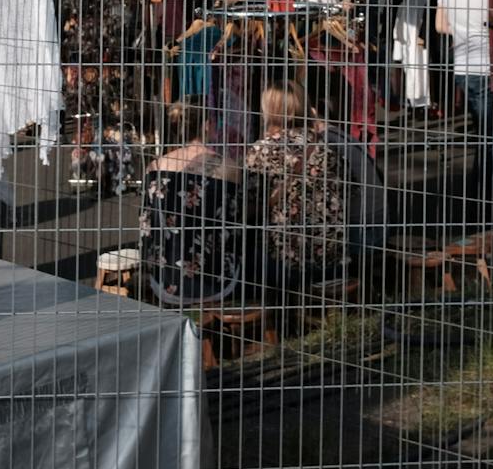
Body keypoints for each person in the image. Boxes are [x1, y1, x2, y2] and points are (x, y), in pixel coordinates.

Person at [245, 79, 350, 290]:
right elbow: (348, 190)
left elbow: (249, 203)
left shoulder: (261, 151)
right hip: (330, 259)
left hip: (282, 262)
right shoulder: (325, 146)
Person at [140, 101, 245, 304]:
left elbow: (146, 221)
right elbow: (237, 218)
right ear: (207, 125)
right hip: (217, 278)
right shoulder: (230, 168)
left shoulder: (155, 166)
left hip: (165, 279)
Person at [435, 0, 493, 181]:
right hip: (489, 66)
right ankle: (486, 187)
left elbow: (440, 25)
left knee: (481, 129)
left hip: (462, 64)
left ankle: (482, 185)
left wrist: (461, 32)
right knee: (490, 135)